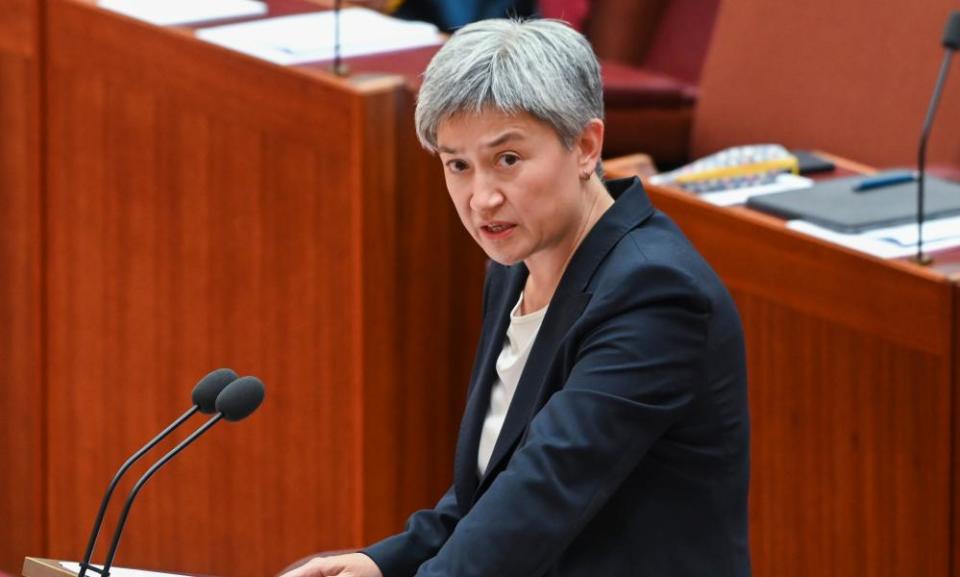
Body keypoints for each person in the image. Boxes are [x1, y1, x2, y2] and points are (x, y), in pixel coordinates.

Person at [281, 18, 750, 577]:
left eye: (508, 159)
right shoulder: (514, 272)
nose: (481, 198)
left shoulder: (654, 295)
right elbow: (487, 496)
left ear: (584, 145)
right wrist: (380, 564)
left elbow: (543, 493)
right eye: (458, 165)